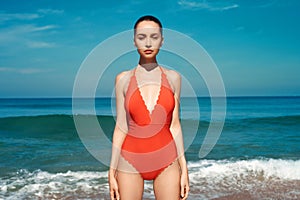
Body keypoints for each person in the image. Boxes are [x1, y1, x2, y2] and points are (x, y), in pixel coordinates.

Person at [108, 15, 189, 200]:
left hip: (167, 159)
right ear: (134, 40)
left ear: (162, 41)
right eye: (142, 37)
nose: (148, 43)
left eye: (154, 37)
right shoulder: (123, 79)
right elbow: (121, 126)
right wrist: (111, 171)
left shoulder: (174, 78)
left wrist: (184, 168)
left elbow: (175, 125)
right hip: (130, 160)